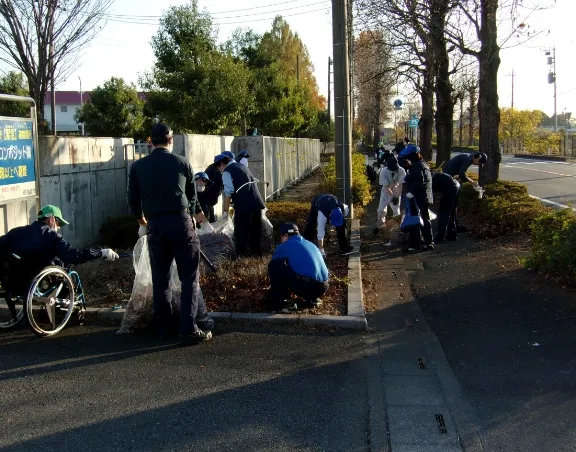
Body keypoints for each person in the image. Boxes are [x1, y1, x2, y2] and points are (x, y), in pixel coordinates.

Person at [126, 123, 213, 346]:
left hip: (155, 225)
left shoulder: (138, 166)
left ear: (150, 141)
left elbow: (133, 199)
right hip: (181, 222)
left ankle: (163, 330)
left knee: (161, 280)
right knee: (189, 279)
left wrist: (142, 221)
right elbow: (192, 196)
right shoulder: (182, 162)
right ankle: (188, 330)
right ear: (171, 140)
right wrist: (193, 216)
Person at [0, 205, 119, 293]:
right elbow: (73, 256)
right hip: (38, 283)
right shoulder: (51, 235)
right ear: (51, 220)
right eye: (58, 224)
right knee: (64, 267)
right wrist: (101, 252)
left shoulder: (16, 232)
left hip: (12, 282)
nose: (58, 228)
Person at [268, 223, 329, 313]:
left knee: (274, 265)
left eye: (281, 237)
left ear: (285, 235)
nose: (281, 240)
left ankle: (283, 302)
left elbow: (274, 265)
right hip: (324, 287)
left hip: (308, 288)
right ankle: (313, 299)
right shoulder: (309, 243)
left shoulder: (286, 245)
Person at [214, 153, 265, 257]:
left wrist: (225, 212)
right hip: (257, 204)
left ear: (222, 164)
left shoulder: (227, 172)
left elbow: (228, 194)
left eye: (218, 167)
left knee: (241, 233)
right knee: (255, 233)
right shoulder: (242, 166)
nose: (219, 170)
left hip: (244, 207)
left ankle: (241, 258)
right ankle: (256, 258)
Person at [442, 152, 487, 232]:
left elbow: (458, 172)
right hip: (448, 181)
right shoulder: (467, 159)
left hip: (447, 179)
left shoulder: (466, 157)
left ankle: (454, 225)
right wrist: (472, 181)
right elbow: (462, 174)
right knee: (451, 205)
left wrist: (457, 177)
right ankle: (447, 228)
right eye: (479, 162)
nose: (477, 164)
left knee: (453, 205)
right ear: (478, 158)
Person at [402, 148, 434, 252]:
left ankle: (414, 245)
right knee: (425, 220)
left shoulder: (416, 166)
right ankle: (428, 243)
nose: (407, 161)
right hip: (425, 197)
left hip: (418, 197)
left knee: (414, 221)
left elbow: (419, 180)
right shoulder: (423, 164)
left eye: (407, 159)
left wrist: (411, 192)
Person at [374, 156, 406, 245]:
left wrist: (396, 196)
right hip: (386, 192)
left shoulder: (401, 170)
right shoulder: (384, 171)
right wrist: (391, 194)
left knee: (396, 212)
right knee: (380, 210)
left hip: (396, 191)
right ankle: (382, 227)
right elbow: (386, 186)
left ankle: (397, 231)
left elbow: (400, 185)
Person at [432, 172, 460, 243]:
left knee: (444, 211)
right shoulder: (429, 174)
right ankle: (451, 234)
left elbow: (428, 193)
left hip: (450, 187)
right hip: (456, 185)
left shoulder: (427, 180)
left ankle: (440, 236)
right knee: (451, 211)